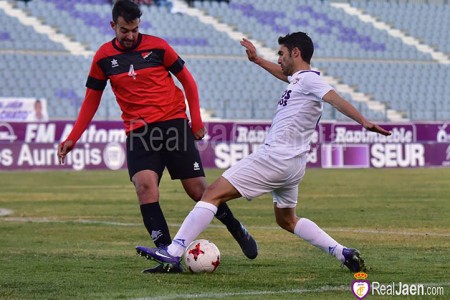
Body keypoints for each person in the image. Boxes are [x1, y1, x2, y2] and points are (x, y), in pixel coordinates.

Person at [136, 32, 392, 272]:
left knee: (212, 193)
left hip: (275, 157)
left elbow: (334, 97)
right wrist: (257, 60)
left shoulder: (312, 79)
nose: (279, 59)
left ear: (295, 53)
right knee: (287, 220)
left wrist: (363, 121)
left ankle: (174, 250)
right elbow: (285, 75)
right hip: (293, 165)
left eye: (281, 54)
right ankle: (343, 253)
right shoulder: (300, 80)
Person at [57, 0, 257, 273]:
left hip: (173, 123)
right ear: (113, 26)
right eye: (124, 30)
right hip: (138, 131)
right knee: (145, 187)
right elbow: (92, 99)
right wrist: (73, 136)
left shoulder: (158, 46)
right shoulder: (103, 58)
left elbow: (188, 80)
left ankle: (236, 227)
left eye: (135, 30)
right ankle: (167, 257)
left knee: (198, 191)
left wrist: (196, 120)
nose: (130, 36)